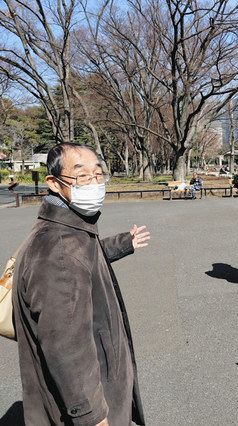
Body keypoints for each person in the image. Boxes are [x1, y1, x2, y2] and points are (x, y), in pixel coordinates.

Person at [12, 143, 149, 425]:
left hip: (99, 385)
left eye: (98, 174)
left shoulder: (70, 231)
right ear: (54, 182)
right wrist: (92, 415)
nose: (94, 183)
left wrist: (124, 243)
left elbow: (87, 256)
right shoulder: (59, 248)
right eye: (82, 176)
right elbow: (66, 347)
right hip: (91, 405)